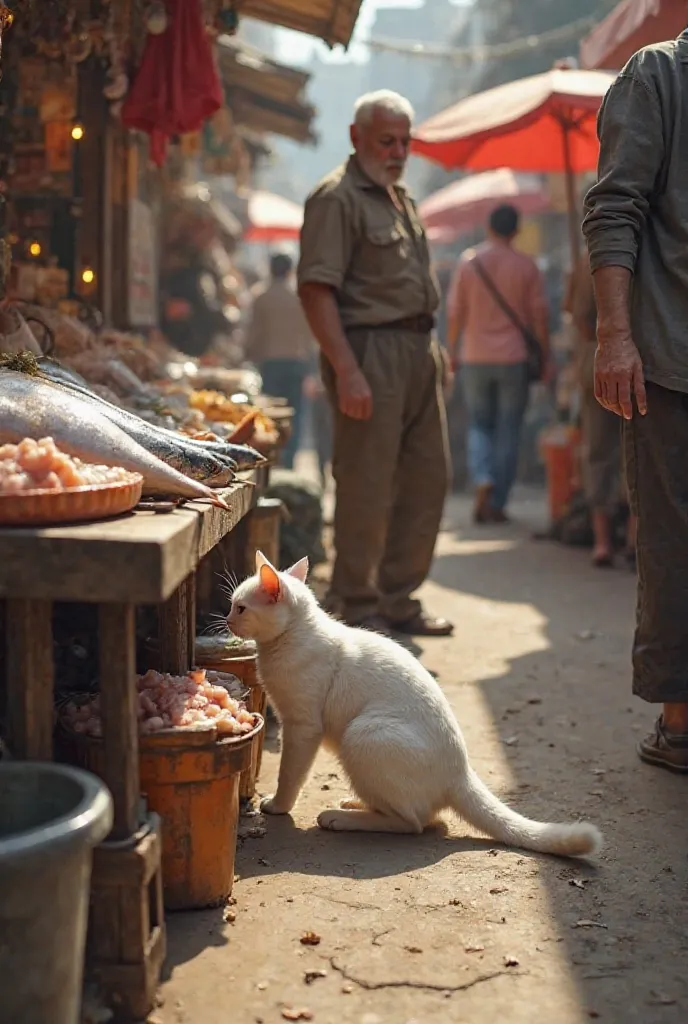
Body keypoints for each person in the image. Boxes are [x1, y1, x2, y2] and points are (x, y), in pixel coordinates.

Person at [297, 89, 452, 637]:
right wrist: (348, 369)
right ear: (356, 137)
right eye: (387, 140)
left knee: (428, 479)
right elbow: (316, 291)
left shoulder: (400, 198)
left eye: (405, 141)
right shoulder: (336, 198)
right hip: (369, 352)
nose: (398, 150)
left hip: (417, 353)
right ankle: (356, 603)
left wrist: (435, 353)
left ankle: (399, 599)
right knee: (365, 481)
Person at [583, 31, 688, 772]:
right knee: (673, 540)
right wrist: (615, 334)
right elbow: (615, 208)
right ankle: (681, 722)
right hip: (671, 359)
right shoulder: (656, 75)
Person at [446, 205, 550, 523]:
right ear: (516, 231)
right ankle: (498, 502)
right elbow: (538, 316)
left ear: (489, 228)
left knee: (479, 424)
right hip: (514, 359)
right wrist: (545, 356)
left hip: (475, 356)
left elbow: (454, 312)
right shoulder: (527, 266)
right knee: (508, 430)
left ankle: (482, 476)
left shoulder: (468, 263)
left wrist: (452, 350)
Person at [567, 247, 637, 569]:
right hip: (639, 360)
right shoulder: (648, 251)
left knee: (600, 451)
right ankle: (631, 537)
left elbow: (577, 315)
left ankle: (603, 541)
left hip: (596, 360)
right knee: (635, 451)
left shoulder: (587, 259)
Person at [245, 252, 314, 469]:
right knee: (294, 413)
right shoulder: (299, 297)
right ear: (290, 270)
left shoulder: (261, 296)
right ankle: (289, 460)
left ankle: (272, 459)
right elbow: (309, 335)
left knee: (271, 414)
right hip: (296, 361)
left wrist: (249, 355)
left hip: (270, 363)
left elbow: (254, 333)